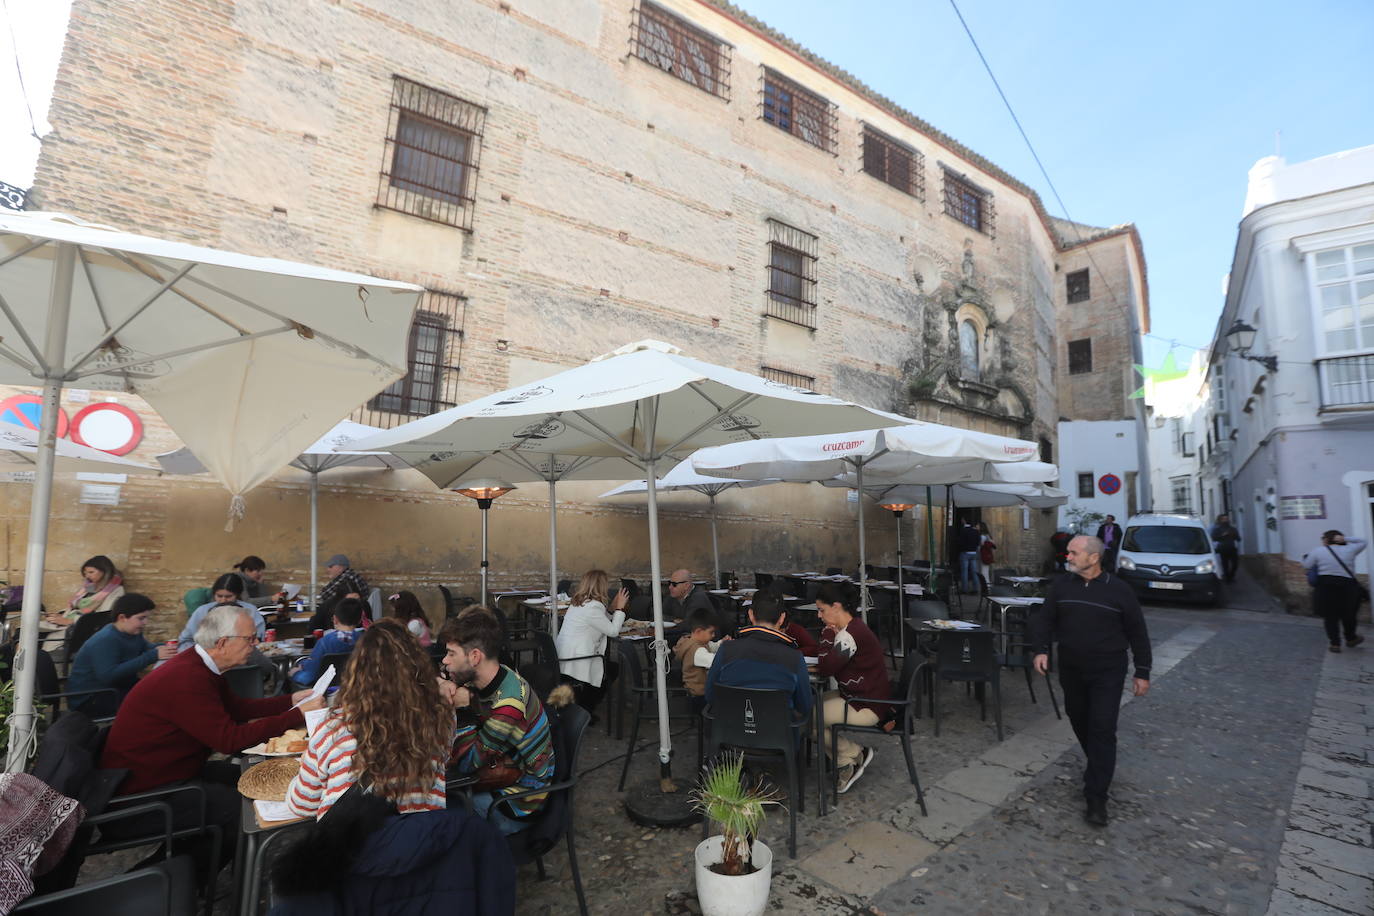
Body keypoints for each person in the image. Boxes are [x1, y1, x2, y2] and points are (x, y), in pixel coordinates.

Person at [100, 606, 323, 882]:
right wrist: (297, 715)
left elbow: (237, 708)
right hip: (141, 797)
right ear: (222, 643)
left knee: (246, 775)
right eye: (250, 639)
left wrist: (291, 700)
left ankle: (188, 865)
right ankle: (161, 883)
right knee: (236, 811)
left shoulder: (199, 665)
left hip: (169, 774)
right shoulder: (188, 678)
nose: (256, 646)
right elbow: (229, 740)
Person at [1031, 535, 1151, 827]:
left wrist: (1143, 671)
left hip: (1108, 670)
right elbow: (1045, 620)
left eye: (1073, 553)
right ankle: (1099, 762)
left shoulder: (1120, 591)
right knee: (1079, 718)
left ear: (1093, 557)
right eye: (1068, 553)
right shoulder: (1061, 586)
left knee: (1102, 727)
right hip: (1071, 668)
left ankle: (1097, 796)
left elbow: (1137, 631)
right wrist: (1040, 650)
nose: (1067, 557)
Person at [286, 619, 451, 820]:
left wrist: (304, 768)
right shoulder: (440, 721)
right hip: (421, 844)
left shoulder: (333, 730)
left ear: (357, 672)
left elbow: (302, 806)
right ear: (418, 669)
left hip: (356, 848)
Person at [440, 612, 555, 836]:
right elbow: (444, 674)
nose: (445, 660)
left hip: (516, 803)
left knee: (435, 813)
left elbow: (468, 765)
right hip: (502, 776)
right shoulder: (495, 674)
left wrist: (462, 708)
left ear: (474, 657)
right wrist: (442, 682)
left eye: (451, 654)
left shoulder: (508, 705)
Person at [813, 582, 888, 794]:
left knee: (806, 720)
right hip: (858, 696)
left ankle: (850, 758)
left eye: (822, 610)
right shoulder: (851, 628)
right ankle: (854, 755)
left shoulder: (849, 635)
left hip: (866, 704)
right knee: (806, 710)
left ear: (836, 607)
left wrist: (827, 635)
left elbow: (826, 667)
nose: (819, 615)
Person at [66, 593, 176, 717]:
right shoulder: (106, 639)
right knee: (156, 703)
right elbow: (108, 676)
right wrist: (152, 656)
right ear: (122, 617)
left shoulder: (132, 632)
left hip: (116, 688)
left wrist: (167, 647)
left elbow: (145, 647)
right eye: (141, 618)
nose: (145, 622)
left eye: (146, 618)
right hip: (91, 699)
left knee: (164, 692)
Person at [707, 592, 812, 720]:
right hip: (779, 736)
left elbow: (711, 696)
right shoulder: (794, 657)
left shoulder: (726, 650)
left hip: (732, 733)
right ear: (782, 618)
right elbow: (804, 706)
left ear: (750, 614)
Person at [554, 569, 628, 712]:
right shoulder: (593, 607)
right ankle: (586, 707)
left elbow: (602, 621)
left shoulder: (579, 603)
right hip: (578, 659)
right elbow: (613, 631)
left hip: (565, 656)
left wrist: (612, 609)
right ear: (601, 586)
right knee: (613, 669)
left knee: (609, 667)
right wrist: (620, 608)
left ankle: (585, 704)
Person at [1302, 530, 1367, 653]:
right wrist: (1345, 539)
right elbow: (1364, 541)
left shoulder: (1318, 551)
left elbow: (1306, 565)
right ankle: (1351, 638)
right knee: (1349, 615)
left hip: (1326, 586)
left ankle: (1335, 644)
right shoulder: (1350, 549)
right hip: (1347, 586)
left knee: (1330, 616)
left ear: (1326, 540)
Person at [176, 572, 263, 651]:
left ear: (237, 594)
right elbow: (185, 641)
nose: (223, 600)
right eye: (219, 596)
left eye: (229, 596)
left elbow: (258, 638)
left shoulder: (250, 611)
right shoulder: (202, 611)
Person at [290, 596, 364, 688]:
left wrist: (301, 667)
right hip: (352, 683)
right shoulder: (364, 640)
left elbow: (313, 668)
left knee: (294, 674)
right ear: (360, 620)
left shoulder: (325, 642)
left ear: (335, 619)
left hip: (324, 685)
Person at [43, 555, 125, 628]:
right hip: (70, 623)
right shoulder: (90, 586)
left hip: (85, 629)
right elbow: (78, 606)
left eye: (91, 572)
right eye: (85, 573)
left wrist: (71, 621)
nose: (87, 576)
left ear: (105, 572)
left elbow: (103, 616)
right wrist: (61, 614)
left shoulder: (116, 590)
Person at [673, 608, 720, 713]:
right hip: (699, 696)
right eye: (711, 632)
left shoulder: (689, 641)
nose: (713, 635)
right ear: (698, 631)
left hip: (693, 692)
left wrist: (722, 644)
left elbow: (712, 646)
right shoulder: (697, 651)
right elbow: (716, 662)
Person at [1210, 515, 1241, 583]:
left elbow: (1238, 539)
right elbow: (1213, 538)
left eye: (1226, 519)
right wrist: (1222, 535)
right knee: (1225, 565)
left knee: (1235, 564)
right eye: (1223, 519)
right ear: (1220, 520)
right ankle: (1227, 579)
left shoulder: (1232, 529)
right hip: (1223, 548)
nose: (1225, 520)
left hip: (1232, 548)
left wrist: (1234, 536)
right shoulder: (1217, 529)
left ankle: (1231, 576)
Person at [957, 520, 982, 593]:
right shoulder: (975, 531)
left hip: (965, 553)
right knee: (974, 572)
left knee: (964, 571)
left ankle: (964, 589)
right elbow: (978, 542)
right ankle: (975, 589)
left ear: (964, 521)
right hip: (974, 553)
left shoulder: (963, 531)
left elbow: (960, 542)